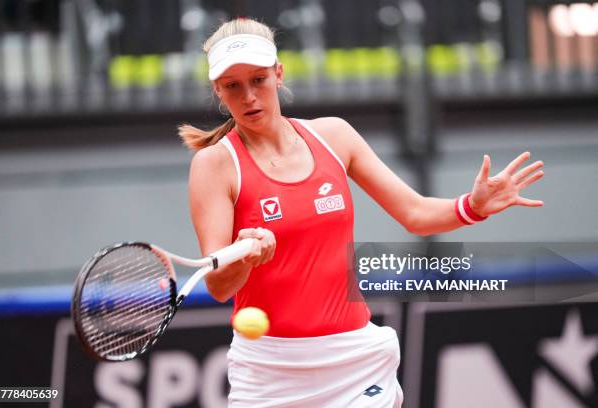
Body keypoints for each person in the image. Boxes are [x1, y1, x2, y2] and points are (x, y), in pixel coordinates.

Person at [180, 17, 544, 408]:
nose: (249, 95)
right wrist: (246, 254)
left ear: (279, 74)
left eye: (258, 80)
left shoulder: (334, 135)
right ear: (218, 90)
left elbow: (415, 213)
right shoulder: (214, 165)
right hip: (269, 372)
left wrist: (471, 207)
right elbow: (219, 285)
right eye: (233, 85)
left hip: (356, 362)